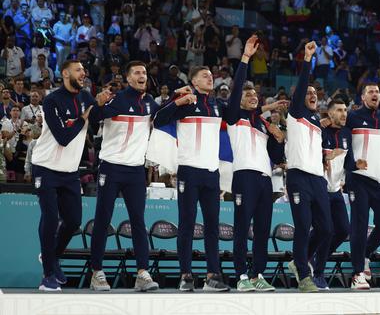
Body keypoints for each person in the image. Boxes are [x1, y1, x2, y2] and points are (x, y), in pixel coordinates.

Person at [88, 62, 182, 291]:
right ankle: (96, 272)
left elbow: (160, 118)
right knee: (102, 219)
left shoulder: (149, 102)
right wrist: (97, 105)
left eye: (145, 73)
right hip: (111, 167)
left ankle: (142, 273)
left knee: (138, 222)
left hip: (135, 171)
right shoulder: (116, 99)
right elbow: (93, 123)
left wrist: (176, 101)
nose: (143, 76)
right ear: (128, 78)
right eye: (138, 73)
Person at [153, 66, 229, 292]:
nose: (210, 77)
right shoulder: (184, 103)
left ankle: (212, 276)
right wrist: (177, 100)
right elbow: (158, 119)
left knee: (212, 226)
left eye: (211, 75)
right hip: (189, 170)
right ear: (193, 81)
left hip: (211, 173)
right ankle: (185, 274)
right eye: (204, 75)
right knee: (187, 224)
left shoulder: (216, 105)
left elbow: (239, 111)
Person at [30, 60, 101, 291]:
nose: (83, 73)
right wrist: (83, 119)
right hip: (46, 167)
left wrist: (106, 100)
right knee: (50, 218)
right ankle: (48, 274)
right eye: (78, 70)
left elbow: (101, 114)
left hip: (70, 171)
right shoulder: (52, 100)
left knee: (73, 221)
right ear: (65, 73)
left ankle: (51, 256)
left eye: (84, 70)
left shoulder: (86, 97)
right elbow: (63, 137)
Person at [225, 35, 281, 292]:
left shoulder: (261, 123)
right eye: (248, 95)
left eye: (255, 95)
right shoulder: (234, 117)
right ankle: (241, 276)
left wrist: (279, 139)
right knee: (241, 228)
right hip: (244, 176)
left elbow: (276, 155)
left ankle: (258, 273)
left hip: (264, 179)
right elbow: (237, 89)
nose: (253, 97)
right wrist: (245, 58)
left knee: (262, 230)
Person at [285, 40, 332, 293]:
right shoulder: (295, 113)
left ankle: (299, 260)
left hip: (317, 180)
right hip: (298, 177)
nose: (312, 95)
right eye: (308, 93)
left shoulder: (315, 121)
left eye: (316, 93)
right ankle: (304, 275)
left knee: (326, 229)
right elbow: (302, 86)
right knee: (303, 225)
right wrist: (307, 59)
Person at [345, 83, 380, 290]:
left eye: (377, 91)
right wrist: (350, 165)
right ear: (362, 97)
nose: (375, 94)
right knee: (359, 226)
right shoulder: (353, 116)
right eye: (371, 92)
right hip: (358, 178)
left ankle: (364, 254)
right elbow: (341, 136)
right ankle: (357, 273)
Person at [307, 98, 353, 290]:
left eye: (345, 110)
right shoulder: (319, 130)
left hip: (336, 190)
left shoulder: (346, 134)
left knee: (342, 230)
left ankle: (311, 256)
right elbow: (307, 156)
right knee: (325, 231)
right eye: (340, 110)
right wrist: (326, 156)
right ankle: (317, 273)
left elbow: (347, 161)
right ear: (330, 113)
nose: (344, 113)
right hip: (319, 188)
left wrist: (355, 165)